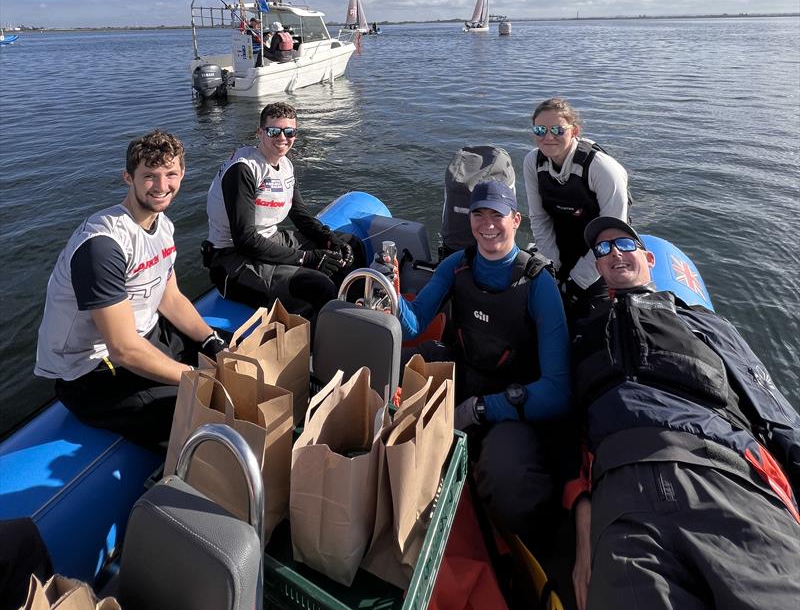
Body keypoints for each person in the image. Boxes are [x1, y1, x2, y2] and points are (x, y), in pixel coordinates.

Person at [568, 215, 800, 610]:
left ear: (649, 258)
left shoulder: (703, 322)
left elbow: (769, 404)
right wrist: (582, 516)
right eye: (603, 250)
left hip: (724, 474)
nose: (614, 254)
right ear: (599, 266)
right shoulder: (584, 334)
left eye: (624, 244)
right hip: (623, 493)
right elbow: (567, 422)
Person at [396, 179, 571, 540]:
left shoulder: (538, 283)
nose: (487, 224)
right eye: (479, 214)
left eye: (497, 214)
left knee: (509, 485)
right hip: (464, 372)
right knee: (398, 364)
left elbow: (556, 391)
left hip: (513, 399)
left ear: (516, 219)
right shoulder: (457, 266)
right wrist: (388, 294)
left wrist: (480, 409)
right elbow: (414, 322)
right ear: (469, 218)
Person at [35, 130, 227, 449]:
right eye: (149, 176)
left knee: (236, 353)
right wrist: (197, 377)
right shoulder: (102, 247)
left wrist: (211, 341)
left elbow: (170, 297)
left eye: (170, 174)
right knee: (199, 411)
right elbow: (122, 348)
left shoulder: (162, 225)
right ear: (128, 177)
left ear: (183, 174)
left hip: (148, 335)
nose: (162, 186)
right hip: (93, 370)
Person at [203, 101, 358, 317]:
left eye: (289, 131)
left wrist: (329, 239)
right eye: (274, 131)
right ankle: (323, 341)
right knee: (319, 285)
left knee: (351, 245)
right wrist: (308, 258)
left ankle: (355, 313)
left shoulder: (285, 164)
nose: (282, 138)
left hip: (269, 239)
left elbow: (300, 215)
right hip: (233, 259)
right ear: (260, 132)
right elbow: (245, 239)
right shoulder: (243, 169)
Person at [523, 97, 629, 316]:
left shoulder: (603, 169)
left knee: (590, 320)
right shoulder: (532, 162)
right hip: (560, 247)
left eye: (558, 130)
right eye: (540, 129)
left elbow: (611, 233)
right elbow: (539, 218)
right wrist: (554, 267)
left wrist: (576, 283)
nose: (548, 137)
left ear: (574, 130)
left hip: (603, 253)